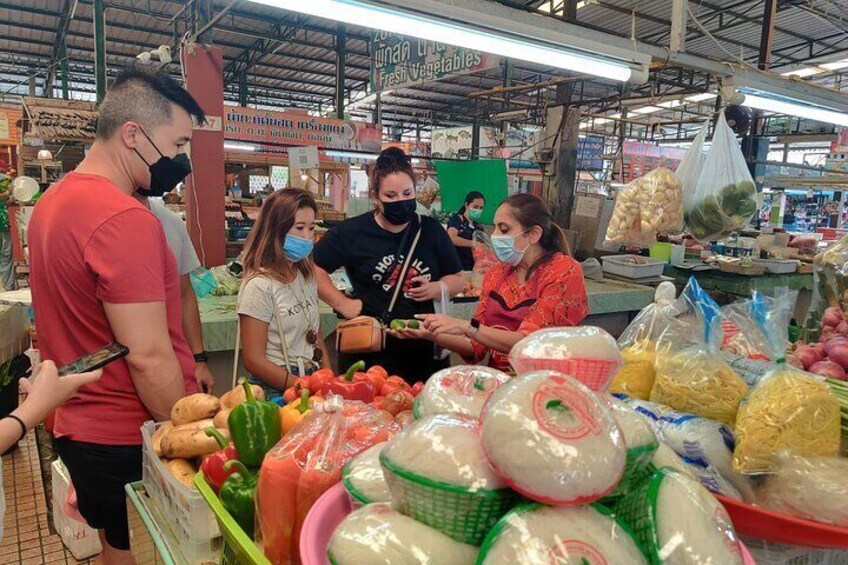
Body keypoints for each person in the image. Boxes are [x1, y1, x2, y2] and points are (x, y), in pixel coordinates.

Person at [27, 67, 204, 564]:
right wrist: (181, 434)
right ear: (134, 134)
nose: (182, 161)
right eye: (179, 143)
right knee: (151, 551)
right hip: (128, 433)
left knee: (117, 547)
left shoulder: (52, 202)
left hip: (79, 423)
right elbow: (148, 356)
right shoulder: (125, 219)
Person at [313, 147, 464, 382]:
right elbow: (312, 268)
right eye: (391, 196)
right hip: (369, 355)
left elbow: (457, 278)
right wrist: (343, 304)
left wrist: (436, 288)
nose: (401, 201)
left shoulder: (431, 230)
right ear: (375, 196)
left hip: (424, 351)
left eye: (407, 193)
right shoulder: (351, 232)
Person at [396, 193, 589, 371]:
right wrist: (430, 333)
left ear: (534, 234)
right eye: (495, 227)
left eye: (504, 229)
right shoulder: (497, 273)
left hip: (543, 386)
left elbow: (530, 343)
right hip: (500, 385)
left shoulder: (564, 272)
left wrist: (466, 327)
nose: (495, 235)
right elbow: (476, 345)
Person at [237, 188, 330, 404]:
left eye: (311, 227)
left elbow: (316, 335)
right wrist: (301, 386)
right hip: (276, 389)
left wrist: (328, 379)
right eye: (299, 228)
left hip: (309, 379)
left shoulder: (305, 276)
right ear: (276, 229)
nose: (307, 236)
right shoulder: (259, 286)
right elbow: (254, 360)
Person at [140, 195, 215, 393]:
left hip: (172, 362)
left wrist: (199, 360)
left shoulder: (171, 222)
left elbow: (185, 296)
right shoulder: (95, 218)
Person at [446, 191, 485, 271]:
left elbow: (481, 247)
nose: (478, 210)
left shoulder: (478, 227)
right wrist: (472, 243)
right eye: (475, 207)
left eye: (481, 208)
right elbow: (451, 238)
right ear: (466, 205)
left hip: (472, 269)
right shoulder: (457, 219)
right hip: (456, 268)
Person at [0, 161, 15, 291]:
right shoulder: (4, 181)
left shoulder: (5, 182)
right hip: (2, 226)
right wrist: (7, 194)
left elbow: (3, 203)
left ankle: (8, 287)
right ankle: (8, 286)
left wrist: (8, 201)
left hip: (3, 225)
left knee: (6, 255)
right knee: (5, 256)